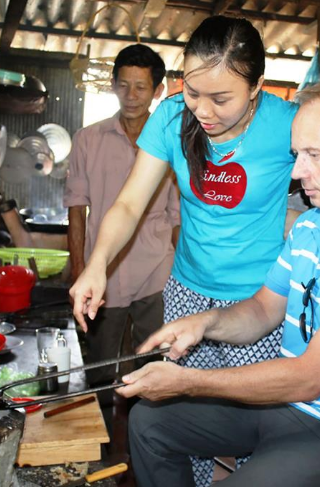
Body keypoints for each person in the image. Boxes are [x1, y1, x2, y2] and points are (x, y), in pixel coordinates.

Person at [118, 80, 320, 487]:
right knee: (150, 421)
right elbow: (261, 310)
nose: (296, 171)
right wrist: (203, 324)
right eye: (296, 155)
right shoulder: (312, 226)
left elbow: (309, 376)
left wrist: (188, 380)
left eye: (313, 154)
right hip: (290, 408)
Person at [69, 16, 298, 482]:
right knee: (183, 420)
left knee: (252, 429)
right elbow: (130, 203)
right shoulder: (172, 117)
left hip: (260, 303)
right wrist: (96, 265)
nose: (203, 110)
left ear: (256, 87)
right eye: (193, 93)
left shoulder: (287, 125)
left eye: (221, 99)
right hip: (187, 295)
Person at [65, 44, 180, 384]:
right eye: (123, 84)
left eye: (141, 86)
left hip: (157, 274)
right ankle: (102, 432)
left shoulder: (172, 144)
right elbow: (76, 209)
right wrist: (78, 270)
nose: (131, 95)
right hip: (105, 278)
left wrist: (184, 279)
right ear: (113, 84)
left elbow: (176, 217)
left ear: (158, 91)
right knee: (98, 370)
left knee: (155, 366)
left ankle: (147, 434)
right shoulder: (87, 140)